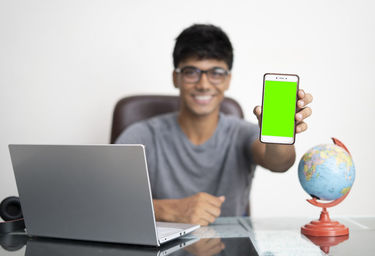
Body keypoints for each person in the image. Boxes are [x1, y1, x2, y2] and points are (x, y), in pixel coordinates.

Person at [116, 24, 313, 226]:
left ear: (228, 80)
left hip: (231, 254)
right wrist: (168, 210)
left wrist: (279, 134)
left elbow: (279, 163)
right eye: (191, 72)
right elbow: (106, 199)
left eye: (216, 73)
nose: (203, 84)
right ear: (176, 78)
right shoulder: (141, 135)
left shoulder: (242, 133)